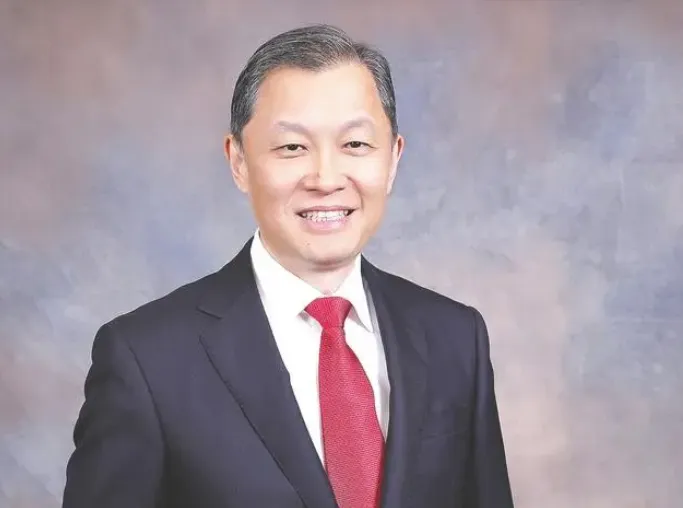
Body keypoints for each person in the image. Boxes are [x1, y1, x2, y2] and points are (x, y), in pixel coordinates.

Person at [62, 24, 514, 508]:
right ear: (238, 161)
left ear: (393, 158)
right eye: (292, 147)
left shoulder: (455, 338)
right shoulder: (146, 359)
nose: (326, 178)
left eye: (355, 145)